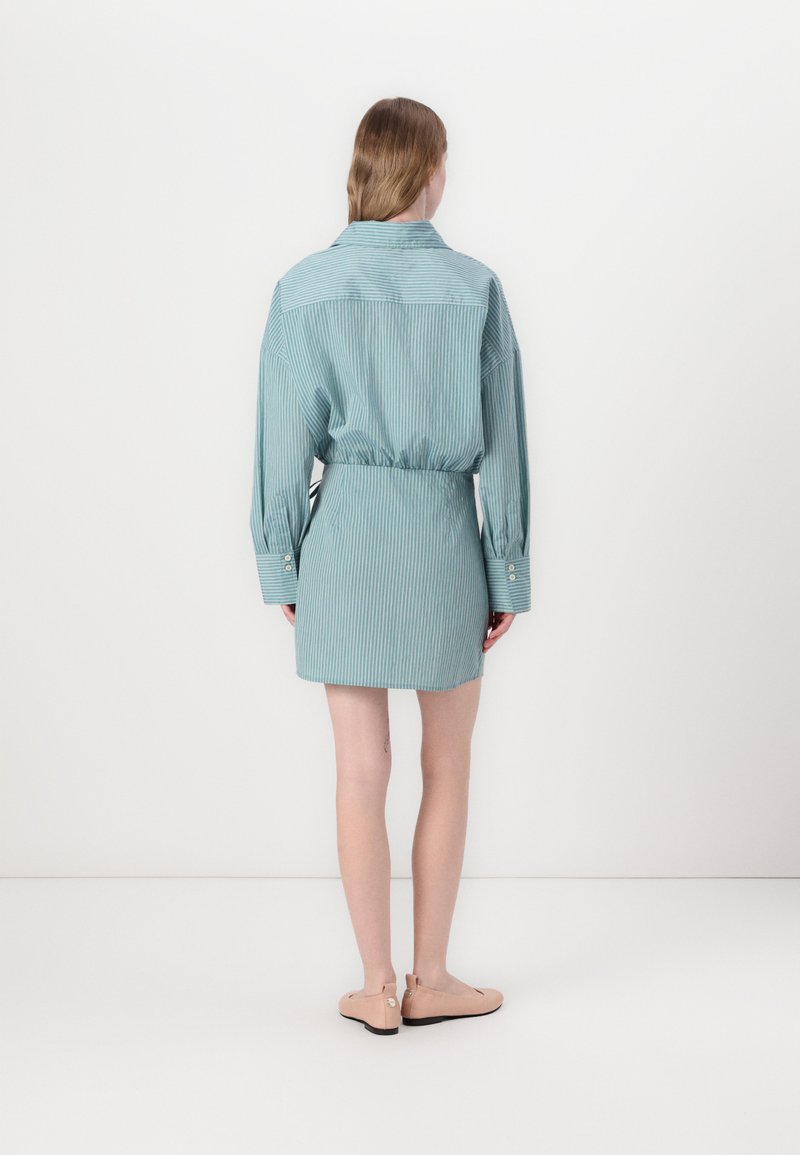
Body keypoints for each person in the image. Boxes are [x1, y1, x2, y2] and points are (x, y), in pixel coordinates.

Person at [250, 97, 531, 1035]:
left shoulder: (303, 289)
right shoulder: (474, 288)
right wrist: (507, 568)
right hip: (445, 541)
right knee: (447, 765)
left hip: (345, 542)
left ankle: (375, 986)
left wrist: (283, 561)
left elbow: (280, 441)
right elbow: (504, 445)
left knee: (358, 770)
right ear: (433, 170)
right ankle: (431, 975)